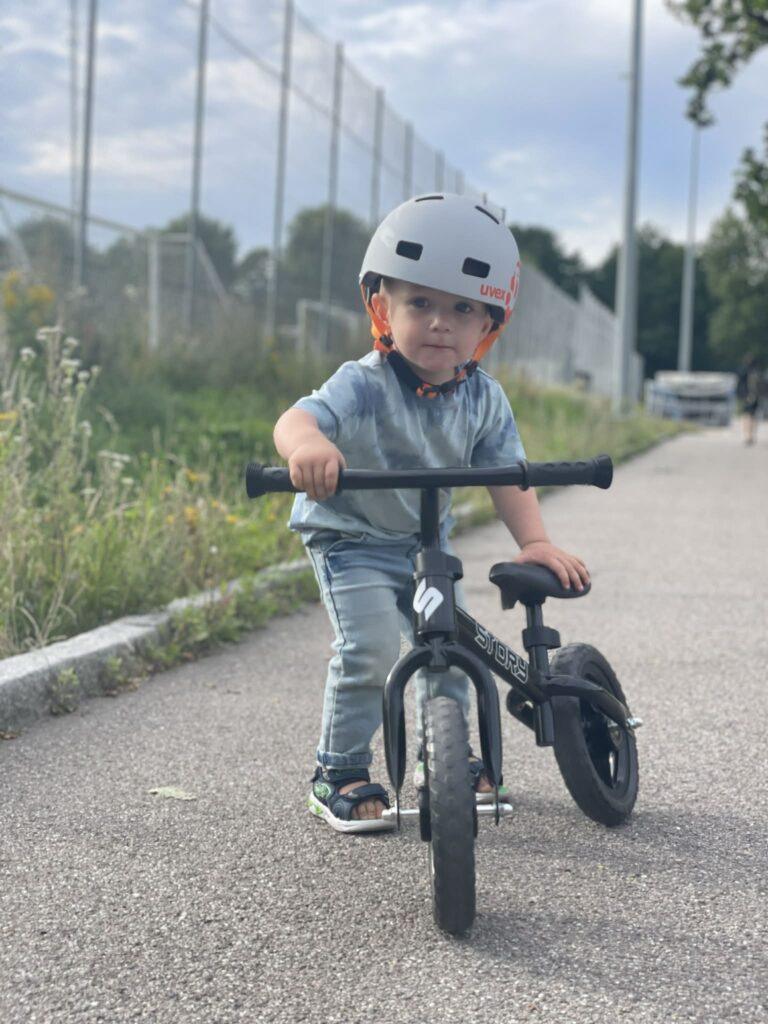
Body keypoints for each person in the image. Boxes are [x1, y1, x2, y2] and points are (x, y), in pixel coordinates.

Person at [272, 193, 590, 832]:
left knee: (445, 648)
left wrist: (534, 541)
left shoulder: (484, 400)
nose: (440, 323)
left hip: (424, 546)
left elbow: (508, 476)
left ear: (488, 324)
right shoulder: (362, 383)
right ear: (382, 307)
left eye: (462, 308)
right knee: (367, 650)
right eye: (420, 303)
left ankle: (444, 757)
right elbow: (298, 418)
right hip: (350, 538)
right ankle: (338, 770)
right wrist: (308, 446)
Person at [736, 353, 765, 445]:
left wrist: (742, 395)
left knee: (747, 415)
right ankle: (751, 435)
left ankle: (747, 436)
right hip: (756, 397)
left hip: (747, 397)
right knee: (753, 416)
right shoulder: (758, 372)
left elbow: (740, 385)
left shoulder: (743, 371)